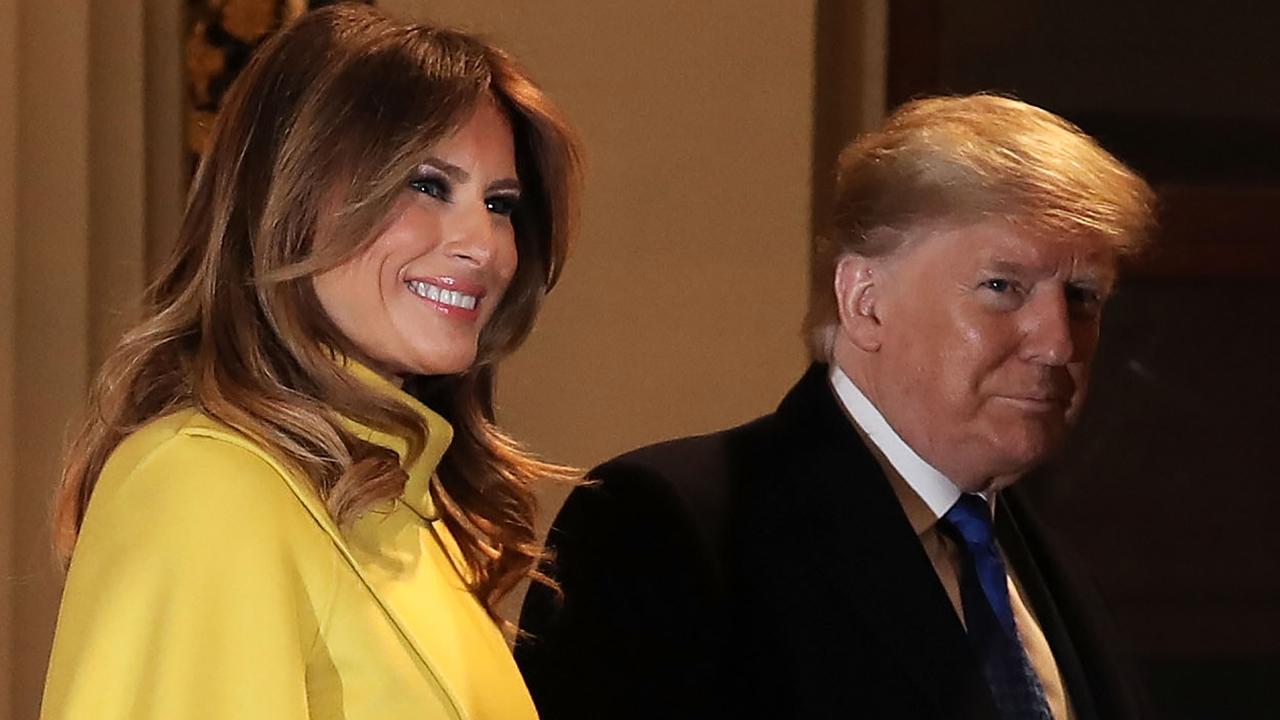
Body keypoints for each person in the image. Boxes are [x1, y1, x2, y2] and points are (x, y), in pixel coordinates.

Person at [515, 94, 1155, 719]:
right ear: (865, 300)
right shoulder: (661, 526)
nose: (1057, 341)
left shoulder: (1048, 563)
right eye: (1002, 287)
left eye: (1082, 296)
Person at [41, 5, 581, 718]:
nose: (484, 244)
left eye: (500, 203)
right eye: (427, 184)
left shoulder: (413, 516)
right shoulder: (203, 484)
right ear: (287, 198)